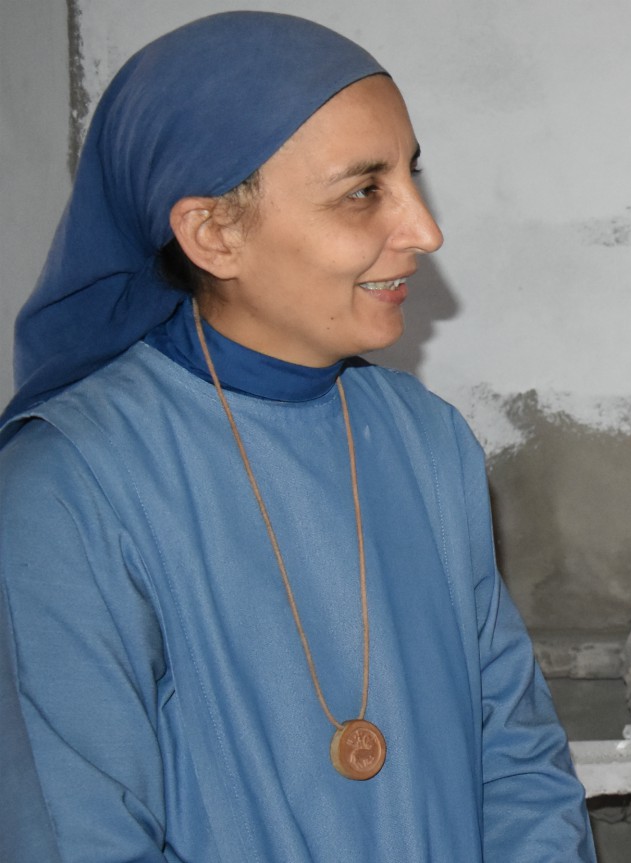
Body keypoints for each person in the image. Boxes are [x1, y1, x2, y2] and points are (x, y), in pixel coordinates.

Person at [0, 12, 596, 861]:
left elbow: (518, 757)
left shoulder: (428, 442)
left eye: (409, 177)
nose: (425, 231)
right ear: (214, 233)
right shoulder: (64, 487)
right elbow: (76, 838)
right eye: (364, 191)